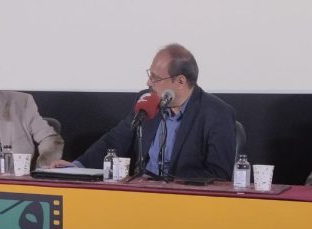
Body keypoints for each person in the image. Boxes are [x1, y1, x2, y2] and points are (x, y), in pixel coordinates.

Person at [54, 43, 236, 180]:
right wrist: (78, 166)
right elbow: (115, 140)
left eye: (155, 78)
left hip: (186, 204)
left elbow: (219, 175)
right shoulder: (148, 101)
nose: (148, 82)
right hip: (140, 197)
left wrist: (171, 186)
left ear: (180, 82)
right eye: (150, 75)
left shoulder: (217, 114)